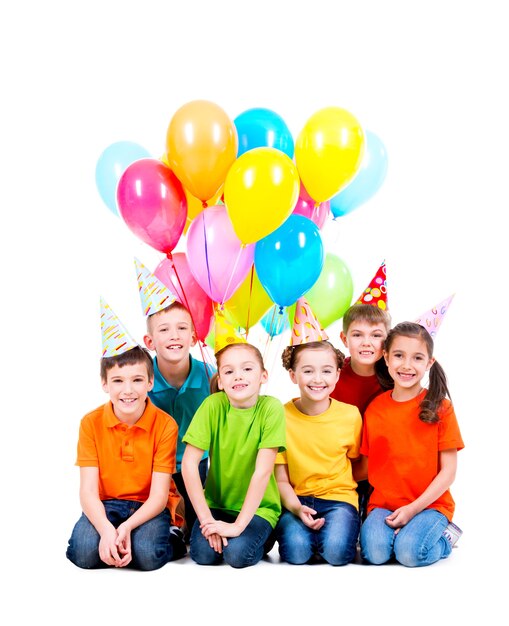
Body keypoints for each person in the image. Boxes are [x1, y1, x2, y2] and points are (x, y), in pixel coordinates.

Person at [66, 299, 184, 570]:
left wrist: (128, 527)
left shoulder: (165, 425)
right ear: (105, 384)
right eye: (118, 381)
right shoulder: (90, 423)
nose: (128, 390)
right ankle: (113, 537)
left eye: (137, 380)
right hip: (106, 504)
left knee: (145, 555)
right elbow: (87, 490)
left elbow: (158, 495)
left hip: (148, 505)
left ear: (150, 383)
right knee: (84, 554)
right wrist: (107, 530)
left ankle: (172, 534)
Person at [358, 321, 465, 567]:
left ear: (429, 363)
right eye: (398, 355)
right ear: (385, 358)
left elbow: (448, 472)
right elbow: (367, 465)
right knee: (374, 554)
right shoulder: (375, 409)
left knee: (409, 553)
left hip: (430, 504)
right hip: (383, 505)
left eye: (417, 358)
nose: (407, 365)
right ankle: (406, 535)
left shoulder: (441, 407)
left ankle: (446, 538)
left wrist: (413, 509)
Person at [181, 319, 286, 568]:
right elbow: (189, 464)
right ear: (220, 380)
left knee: (238, 556)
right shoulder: (212, 406)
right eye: (228, 371)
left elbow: (262, 472)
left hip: (259, 508)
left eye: (247, 369)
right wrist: (207, 520)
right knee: (203, 555)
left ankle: (264, 535)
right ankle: (227, 531)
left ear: (263, 376)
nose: (238, 376)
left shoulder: (271, 408)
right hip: (217, 506)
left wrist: (239, 526)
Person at [275, 297, 363, 565]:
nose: (317, 379)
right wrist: (295, 507)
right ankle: (312, 540)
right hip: (296, 498)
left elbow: (360, 466)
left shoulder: (349, 415)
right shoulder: (280, 415)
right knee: (296, 553)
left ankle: (339, 536)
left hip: (339, 500)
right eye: (307, 371)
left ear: (338, 374)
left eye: (326, 371)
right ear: (292, 375)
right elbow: (280, 479)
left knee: (337, 553)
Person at [135, 258, 214, 542]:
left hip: (197, 465)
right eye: (164, 329)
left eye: (182, 328)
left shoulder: (209, 376)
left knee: (198, 532)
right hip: (154, 467)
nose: (174, 336)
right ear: (149, 341)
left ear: (194, 336)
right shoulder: (140, 380)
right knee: (157, 527)